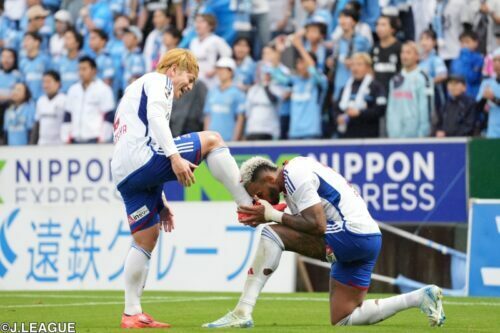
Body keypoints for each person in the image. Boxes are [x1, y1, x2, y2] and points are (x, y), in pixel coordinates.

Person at [111, 48, 273, 328]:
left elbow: (141, 137)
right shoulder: (159, 80)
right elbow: (155, 122)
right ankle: (246, 205)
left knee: (145, 238)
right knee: (213, 139)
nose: (189, 86)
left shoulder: (134, 89)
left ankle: (131, 313)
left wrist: (160, 202)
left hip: (124, 173)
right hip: (142, 159)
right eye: (190, 77)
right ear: (173, 68)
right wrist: (174, 157)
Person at [203, 156, 446, 328]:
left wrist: (271, 215)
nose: (258, 199)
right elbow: (310, 214)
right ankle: (420, 298)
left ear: (267, 178)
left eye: (257, 193)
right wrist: (274, 210)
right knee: (344, 317)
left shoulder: (293, 173)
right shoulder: (296, 173)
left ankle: (242, 311)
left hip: (350, 235)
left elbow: (316, 225)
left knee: (272, 233)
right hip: (368, 238)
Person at [272, 31, 327, 139]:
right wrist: (278, 52)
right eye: (298, 63)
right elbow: (276, 73)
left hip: (312, 133)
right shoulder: (294, 81)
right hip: (294, 133)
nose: (300, 66)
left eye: (303, 62)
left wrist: (299, 46)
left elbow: (312, 69)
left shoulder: (319, 81)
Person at [61, 56, 115, 143]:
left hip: (95, 139)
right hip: (75, 139)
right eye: (79, 69)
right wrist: (65, 138)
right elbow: (68, 116)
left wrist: (103, 139)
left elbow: (108, 116)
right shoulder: (73, 89)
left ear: (94, 71)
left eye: (84, 69)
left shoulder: (104, 89)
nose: (81, 72)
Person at [386, 42, 432, 138]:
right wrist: (390, 130)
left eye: (408, 53)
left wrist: (423, 132)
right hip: (395, 135)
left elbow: (426, 108)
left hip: (416, 135)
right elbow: (391, 108)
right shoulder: (395, 79)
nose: (404, 56)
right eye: (402, 52)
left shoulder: (424, 78)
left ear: (417, 56)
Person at [334, 53, 386, 138]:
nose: (355, 68)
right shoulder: (345, 88)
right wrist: (338, 118)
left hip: (368, 136)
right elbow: (336, 108)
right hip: (346, 137)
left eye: (359, 64)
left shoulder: (376, 87)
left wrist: (360, 113)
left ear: (368, 67)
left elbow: (380, 109)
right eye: (353, 65)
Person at [203, 57, 246, 142]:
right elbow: (208, 117)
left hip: (228, 140)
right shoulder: (212, 91)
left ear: (231, 71)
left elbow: (240, 119)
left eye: (223, 69)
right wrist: (205, 139)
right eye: (218, 69)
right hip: (211, 141)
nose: (220, 72)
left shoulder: (238, 93)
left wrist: (235, 140)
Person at [189, 14, 232, 89]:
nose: (198, 24)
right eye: (197, 21)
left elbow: (228, 54)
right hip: (195, 79)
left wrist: (216, 69)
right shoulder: (193, 42)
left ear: (210, 25)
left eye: (202, 22)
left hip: (211, 80)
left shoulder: (216, 40)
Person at [245, 65, 280, 140]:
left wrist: (266, 87)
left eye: (268, 74)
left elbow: (274, 100)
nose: (266, 76)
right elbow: (247, 112)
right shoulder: (253, 90)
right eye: (264, 74)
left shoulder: (276, 88)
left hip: (269, 130)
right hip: (253, 130)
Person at [30, 70, 66, 145]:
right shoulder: (40, 101)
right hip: (42, 143)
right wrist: (33, 143)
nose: (45, 85)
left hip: (59, 143)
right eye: (44, 82)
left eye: (49, 82)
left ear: (58, 83)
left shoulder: (64, 100)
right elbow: (37, 123)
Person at [418, 29, 448, 114]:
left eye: (427, 39)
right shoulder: (420, 60)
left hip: (434, 96)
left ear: (434, 42)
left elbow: (443, 75)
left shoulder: (436, 59)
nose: (424, 42)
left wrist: (428, 83)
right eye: (422, 39)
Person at [372, 15, 401, 95]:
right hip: (377, 94)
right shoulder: (374, 48)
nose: (379, 28)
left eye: (383, 25)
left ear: (392, 29)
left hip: (395, 93)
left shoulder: (400, 48)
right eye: (377, 25)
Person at [450, 31, 484, 98]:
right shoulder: (455, 60)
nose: (465, 45)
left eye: (467, 42)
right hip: (456, 96)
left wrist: (466, 55)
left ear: (476, 43)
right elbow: (452, 79)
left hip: (472, 95)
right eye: (462, 42)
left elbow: (472, 77)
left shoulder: (479, 59)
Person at [19, 32, 51, 101]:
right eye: (24, 40)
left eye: (28, 39)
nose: (25, 42)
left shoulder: (46, 60)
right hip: (28, 100)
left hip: (43, 98)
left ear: (37, 42)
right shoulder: (22, 62)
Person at [476, 48, 500, 138]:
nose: (497, 64)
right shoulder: (487, 83)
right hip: (492, 132)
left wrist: (493, 98)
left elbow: (494, 99)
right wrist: (484, 98)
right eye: (494, 60)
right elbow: (477, 108)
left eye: (499, 60)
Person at [0, 48, 21, 142]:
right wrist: (9, 94)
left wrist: (5, 96)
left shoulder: (18, 75)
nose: (6, 60)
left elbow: (19, 95)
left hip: (11, 109)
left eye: (9, 57)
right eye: (3, 57)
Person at [54, 28, 83, 93]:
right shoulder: (59, 61)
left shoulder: (83, 60)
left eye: (69, 38)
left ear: (77, 43)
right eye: (65, 38)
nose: (65, 41)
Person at [122, 26, 146, 91]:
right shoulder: (127, 55)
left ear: (136, 39)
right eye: (125, 36)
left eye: (128, 36)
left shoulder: (137, 57)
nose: (125, 38)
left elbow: (136, 80)